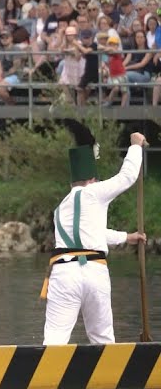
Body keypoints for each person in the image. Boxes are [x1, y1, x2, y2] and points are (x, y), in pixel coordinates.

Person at [42, 121, 148, 345]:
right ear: (92, 179)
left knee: (54, 341)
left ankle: (44, 376)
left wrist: (126, 237)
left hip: (62, 273)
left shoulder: (60, 208)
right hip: (94, 271)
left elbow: (92, 233)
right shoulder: (94, 192)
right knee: (102, 339)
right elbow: (127, 177)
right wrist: (135, 146)